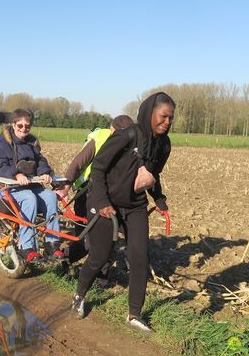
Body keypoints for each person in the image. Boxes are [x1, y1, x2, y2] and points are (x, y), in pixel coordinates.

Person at [71, 92, 175, 332]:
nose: (167, 122)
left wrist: (159, 200)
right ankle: (79, 295)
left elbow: (152, 174)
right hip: (105, 201)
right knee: (100, 255)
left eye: (171, 118)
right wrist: (102, 200)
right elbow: (98, 168)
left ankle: (134, 315)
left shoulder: (164, 145)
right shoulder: (127, 135)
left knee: (140, 256)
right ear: (150, 113)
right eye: (163, 116)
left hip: (135, 206)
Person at [55, 115, 135, 274]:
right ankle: (65, 259)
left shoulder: (132, 144)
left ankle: (101, 278)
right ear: (111, 129)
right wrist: (66, 186)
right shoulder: (99, 139)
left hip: (113, 196)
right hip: (88, 193)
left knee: (107, 238)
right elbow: (78, 163)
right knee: (87, 241)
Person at [0, 108, 63, 262]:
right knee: (28, 198)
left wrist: (44, 172)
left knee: (50, 196)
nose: (23, 129)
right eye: (20, 125)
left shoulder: (31, 143)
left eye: (27, 126)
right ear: (13, 125)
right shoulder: (1, 144)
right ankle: (25, 246)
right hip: (2, 188)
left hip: (26, 187)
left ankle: (52, 244)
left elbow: (40, 161)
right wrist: (16, 174)